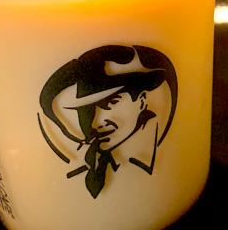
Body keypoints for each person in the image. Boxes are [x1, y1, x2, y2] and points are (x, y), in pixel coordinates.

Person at [38, 45, 177, 198]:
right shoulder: (80, 165)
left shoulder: (160, 160)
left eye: (111, 102)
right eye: (88, 110)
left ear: (142, 101)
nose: (96, 122)